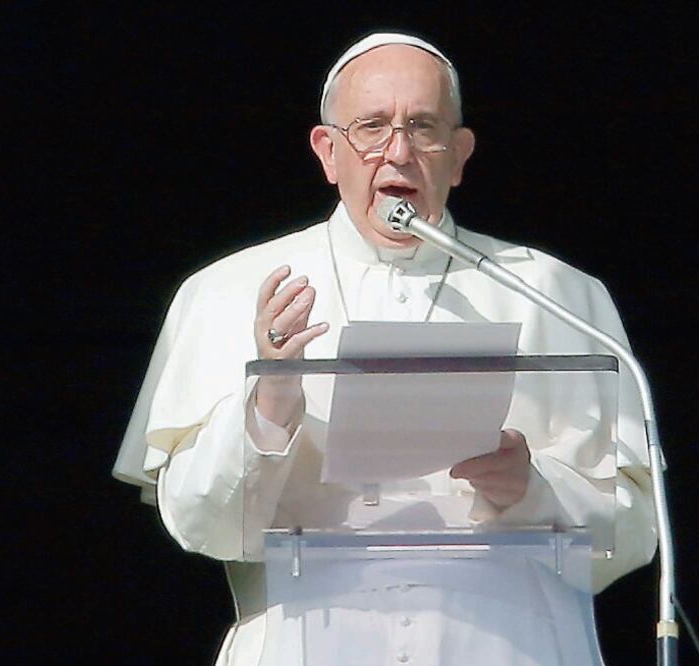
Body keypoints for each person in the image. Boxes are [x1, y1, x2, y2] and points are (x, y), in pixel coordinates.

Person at [114, 32, 657, 666]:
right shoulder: (224, 291)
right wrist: (270, 401)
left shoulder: (558, 294)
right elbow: (199, 525)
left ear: (458, 155)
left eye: (423, 128)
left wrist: (532, 490)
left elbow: (638, 534)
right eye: (371, 127)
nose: (397, 153)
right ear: (327, 151)